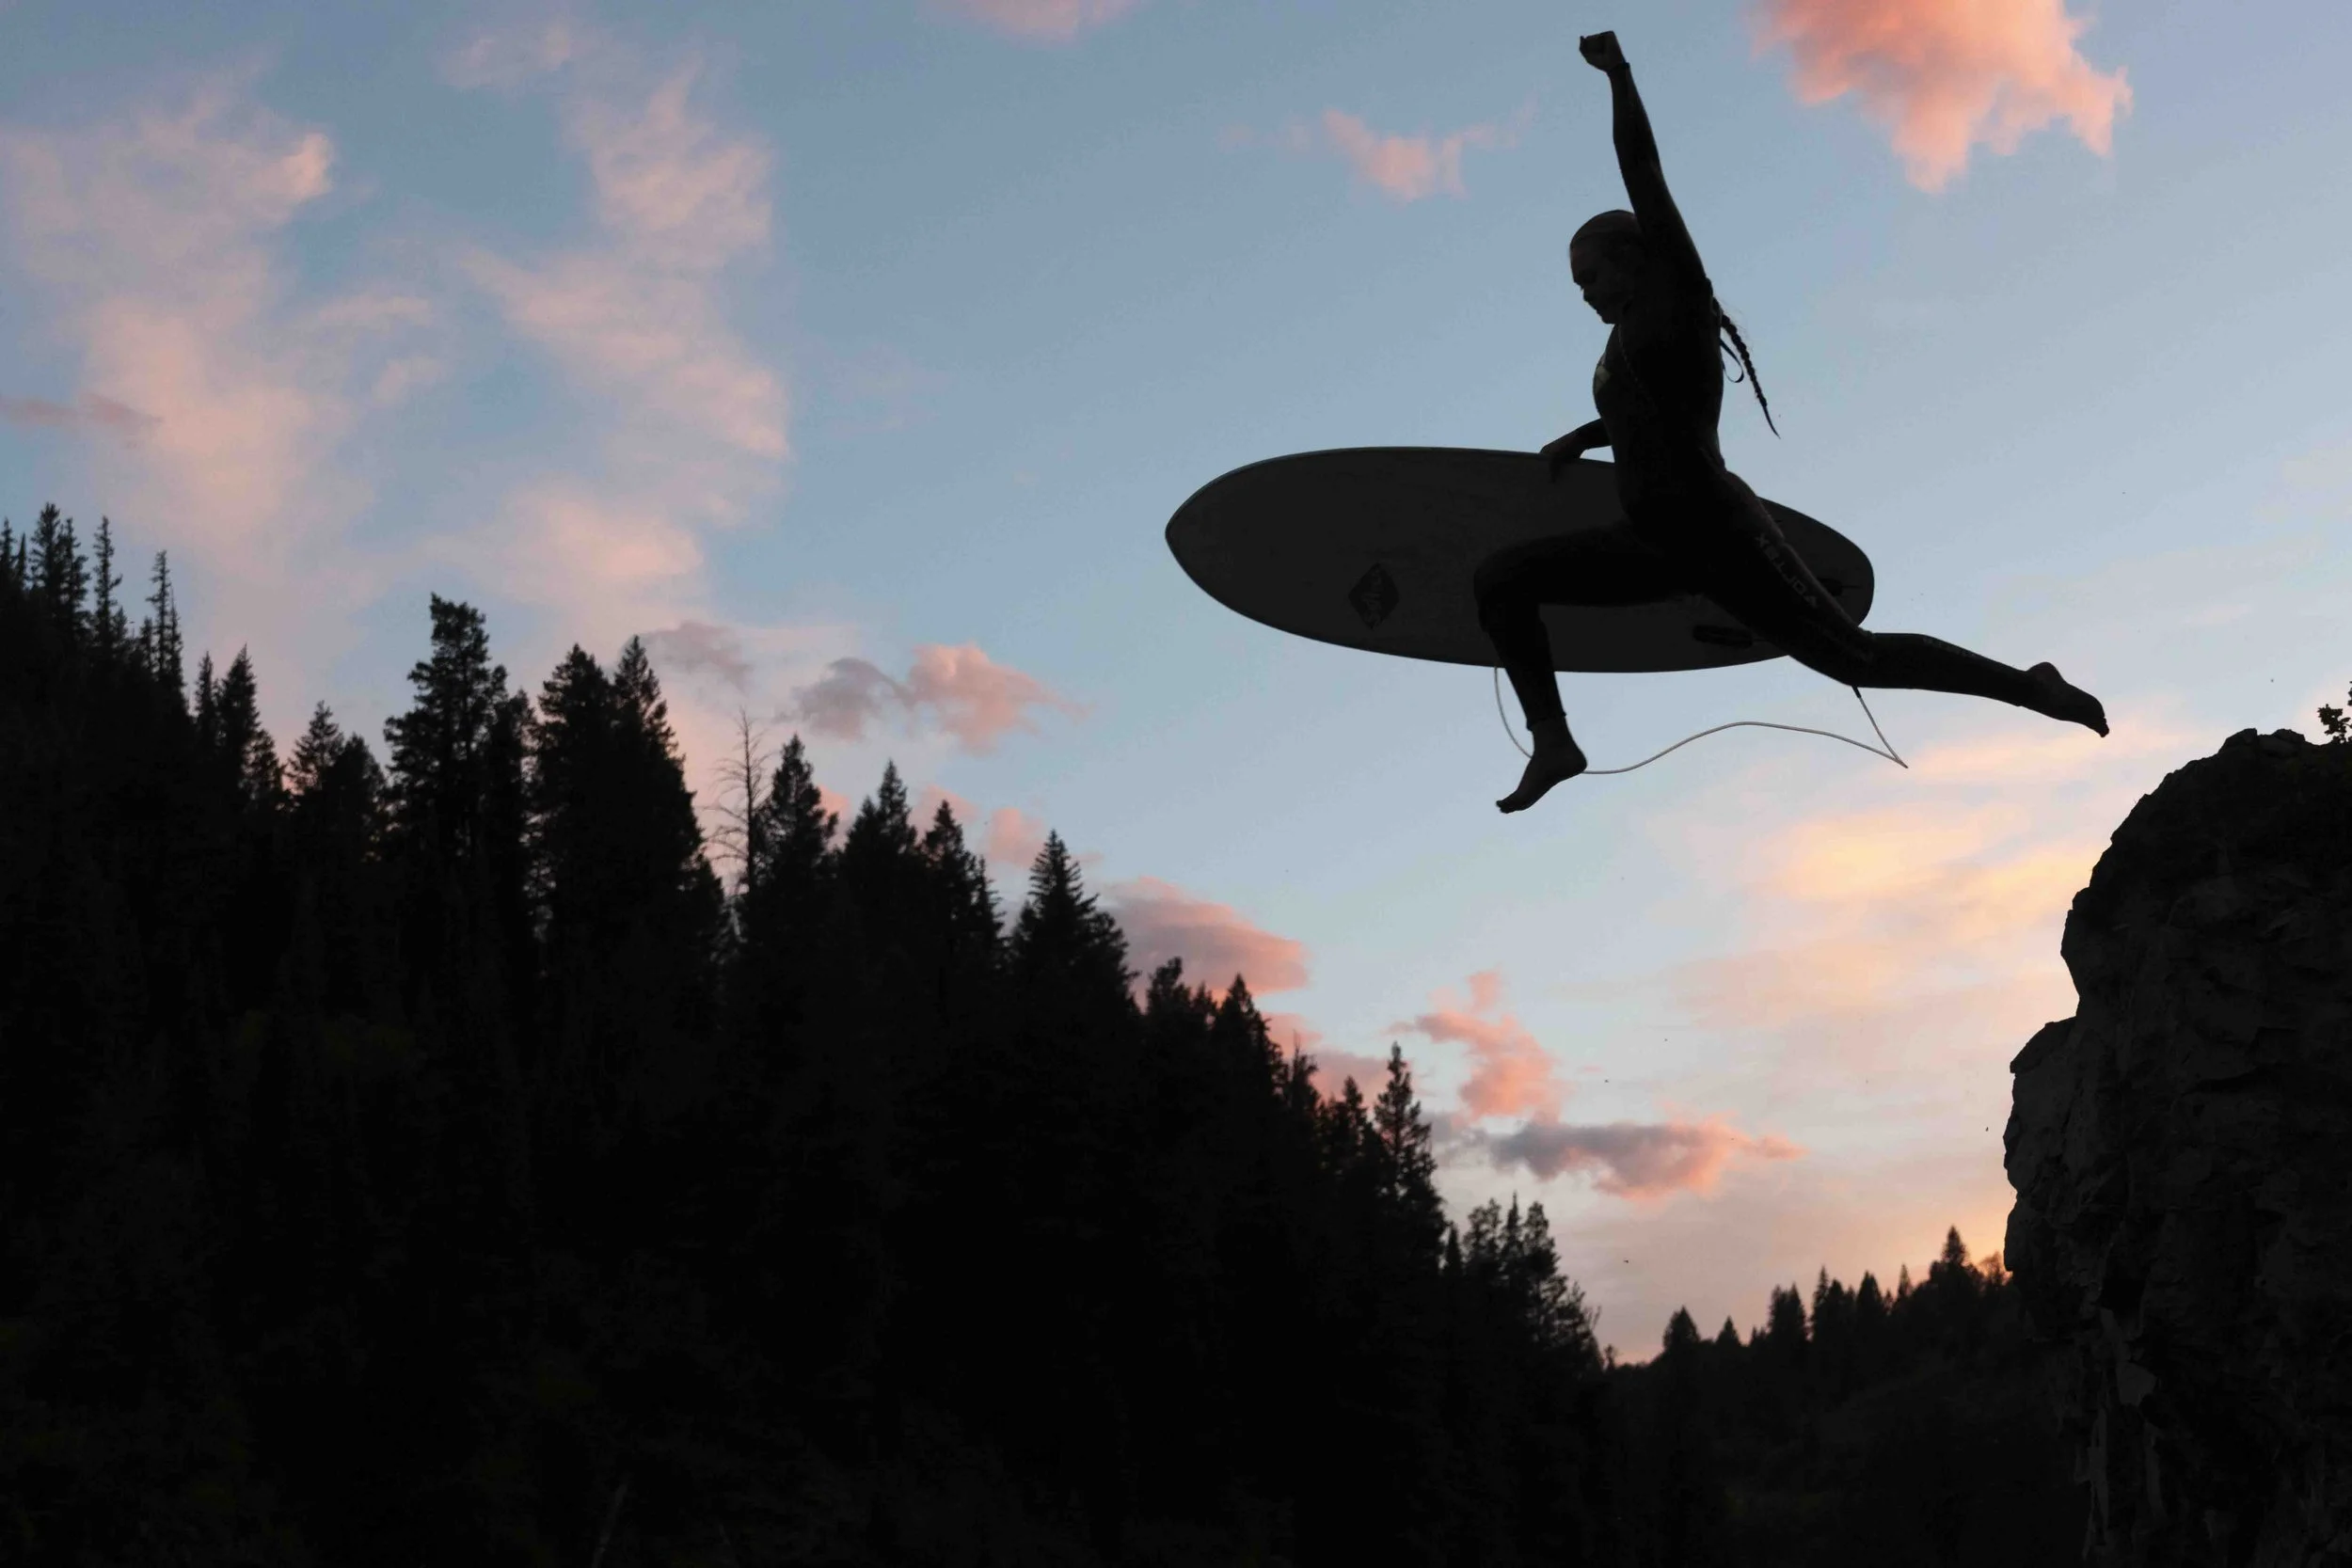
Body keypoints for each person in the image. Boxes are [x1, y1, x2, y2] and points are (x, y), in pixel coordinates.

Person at [1479, 31, 2106, 814]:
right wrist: (1586, 435)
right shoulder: (1622, 346)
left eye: (1592, 274)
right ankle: (1555, 741)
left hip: (1718, 532)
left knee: (1858, 658)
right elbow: (1650, 418)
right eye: (1576, 283)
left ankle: (2029, 687)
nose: (1583, 292)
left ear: (1637, 259)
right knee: (1500, 582)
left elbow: (1645, 174)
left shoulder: (1675, 298)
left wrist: (1617, 78)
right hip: (1654, 547)